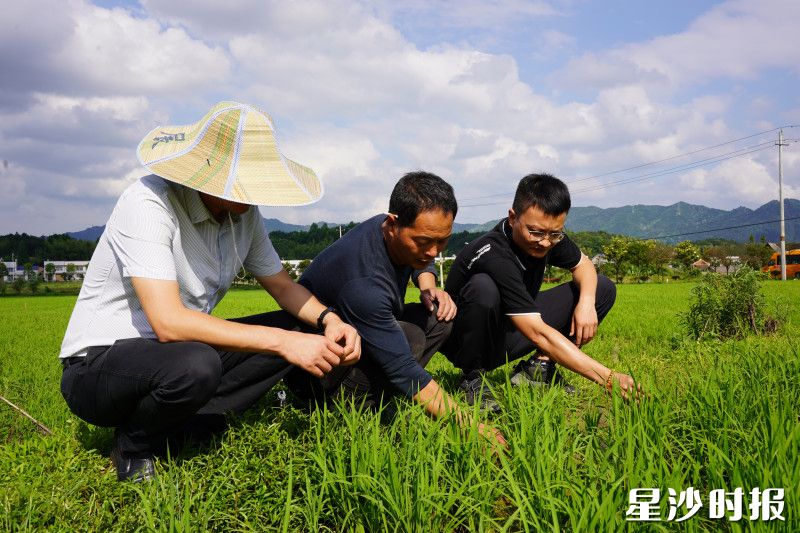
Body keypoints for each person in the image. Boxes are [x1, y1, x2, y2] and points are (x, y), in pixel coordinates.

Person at [58, 102, 361, 482]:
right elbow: (168, 323)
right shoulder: (149, 203)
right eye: (244, 187)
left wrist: (329, 320)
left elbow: (283, 286)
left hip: (178, 353)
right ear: (209, 177)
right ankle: (133, 445)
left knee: (299, 326)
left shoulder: (243, 217)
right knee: (198, 364)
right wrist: (282, 343)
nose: (253, 198)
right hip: (99, 367)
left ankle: (186, 422)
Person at [285, 171, 506, 447]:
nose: (434, 252)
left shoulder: (392, 228)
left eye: (443, 241)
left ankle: (384, 394)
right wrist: (469, 425)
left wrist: (428, 285)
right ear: (393, 224)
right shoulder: (364, 284)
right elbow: (403, 368)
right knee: (409, 339)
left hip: (358, 334)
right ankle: (353, 407)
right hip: (316, 374)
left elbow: (423, 257)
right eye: (425, 242)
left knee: (439, 317)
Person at [443, 173, 641, 411]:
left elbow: (583, 265)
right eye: (536, 232)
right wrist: (607, 377)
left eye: (554, 233)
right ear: (513, 217)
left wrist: (586, 303)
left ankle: (538, 369)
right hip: (469, 340)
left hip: (511, 328)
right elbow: (538, 333)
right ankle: (472, 376)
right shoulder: (494, 251)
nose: (545, 242)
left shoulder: (547, 236)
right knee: (483, 287)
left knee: (602, 287)